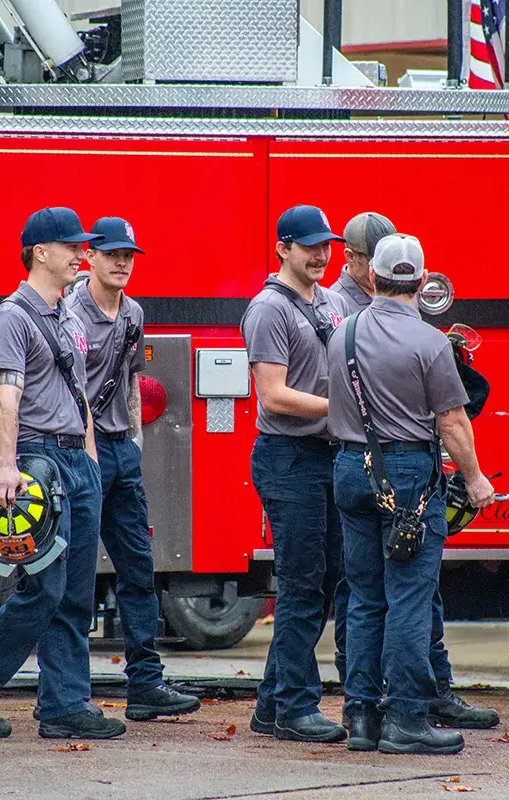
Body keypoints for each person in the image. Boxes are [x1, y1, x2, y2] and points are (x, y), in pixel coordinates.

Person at [0, 207, 125, 740]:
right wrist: (6, 467)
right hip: (39, 465)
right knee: (44, 589)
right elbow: (6, 398)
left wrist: (88, 455)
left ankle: (65, 706)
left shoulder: (67, 312)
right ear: (40, 252)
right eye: (72, 247)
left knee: (75, 595)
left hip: (74, 463)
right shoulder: (12, 318)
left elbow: (80, 391)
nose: (81, 256)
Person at [330, 213, 499, 731]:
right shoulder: (429, 343)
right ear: (422, 282)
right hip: (406, 475)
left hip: (350, 469)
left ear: (375, 278)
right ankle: (406, 718)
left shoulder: (344, 334)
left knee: (363, 598)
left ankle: (360, 715)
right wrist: (475, 480)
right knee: (409, 598)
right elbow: (451, 421)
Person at [65, 217, 201, 722]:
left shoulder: (133, 312)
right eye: (113, 253)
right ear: (90, 256)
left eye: (130, 255)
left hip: (122, 452)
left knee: (139, 571)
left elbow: (128, 382)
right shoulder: (70, 313)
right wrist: (88, 451)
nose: (123, 262)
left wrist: (135, 444)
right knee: (75, 577)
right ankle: (68, 695)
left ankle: (145, 684)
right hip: (85, 452)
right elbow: (70, 392)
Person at [242, 205, 348, 744]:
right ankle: (295, 709)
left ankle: (270, 707)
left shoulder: (330, 302)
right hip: (289, 457)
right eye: (309, 245)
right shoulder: (267, 309)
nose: (322, 254)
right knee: (303, 587)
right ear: (282, 247)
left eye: (326, 244)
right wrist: (343, 411)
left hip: (326, 457)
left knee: (322, 584)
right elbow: (274, 395)